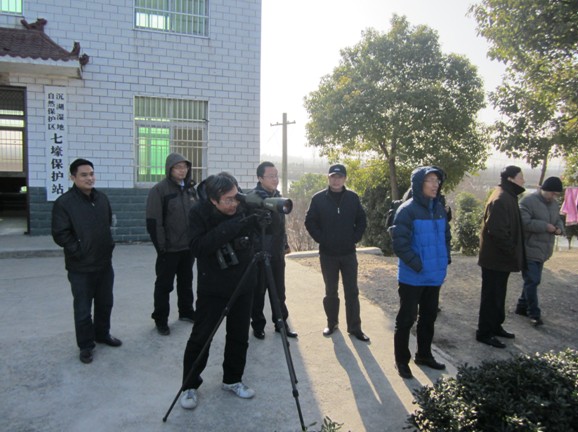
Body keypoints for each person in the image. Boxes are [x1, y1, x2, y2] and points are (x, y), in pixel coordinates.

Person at [180, 172, 257, 410]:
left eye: (236, 197)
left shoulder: (244, 205)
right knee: (201, 337)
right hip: (212, 285)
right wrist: (233, 227)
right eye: (228, 200)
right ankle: (189, 385)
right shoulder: (198, 212)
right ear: (213, 200)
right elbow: (198, 247)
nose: (234, 204)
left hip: (243, 282)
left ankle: (233, 379)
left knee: (239, 335)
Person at [51, 158, 122, 364]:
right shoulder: (64, 203)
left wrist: (108, 246)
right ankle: (86, 345)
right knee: (83, 309)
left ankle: (102, 334)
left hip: (104, 263)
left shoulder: (101, 199)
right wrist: (79, 250)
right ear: (72, 177)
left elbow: (107, 224)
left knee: (105, 303)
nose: (89, 178)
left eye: (91, 174)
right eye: (84, 175)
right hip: (80, 267)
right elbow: (60, 234)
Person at [390, 166, 451, 379]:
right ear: (419, 184)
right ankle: (401, 360)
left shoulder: (439, 208)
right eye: (430, 180)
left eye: (437, 181)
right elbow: (400, 244)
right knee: (406, 319)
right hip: (412, 277)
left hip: (434, 277)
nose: (435, 185)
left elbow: (446, 237)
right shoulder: (407, 210)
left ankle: (424, 355)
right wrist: (418, 265)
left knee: (429, 317)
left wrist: (444, 260)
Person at [304, 164, 369, 342]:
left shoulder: (352, 198)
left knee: (352, 291)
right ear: (328, 178)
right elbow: (310, 222)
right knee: (331, 291)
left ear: (345, 179)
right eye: (333, 176)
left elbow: (362, 220)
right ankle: (332, 323)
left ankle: (355, 328)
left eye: (340, 177)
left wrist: (354, 238)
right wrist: (322, 239)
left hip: (348, 253)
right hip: (328, 254)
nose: (336, 180)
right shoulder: (318, 199)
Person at [146, 153, 196, 336]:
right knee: (164, 285)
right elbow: (153, 222)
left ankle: (186, 311)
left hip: (188, 247)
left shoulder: (190, 190)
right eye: (178, 167)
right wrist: (161, 248)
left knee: (186, 282)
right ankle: (160, 319)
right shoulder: (159, 190)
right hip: (169, 248)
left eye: (185, 167)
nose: (182, 171)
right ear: (169, 169)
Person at [476, 165, 526, 348]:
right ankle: (484, 332)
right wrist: (512, 251)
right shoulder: (501, 198)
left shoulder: (508, 196)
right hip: (495, 259)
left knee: (499, 295)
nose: (523, 181)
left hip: (501, 259)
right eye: (521, 177)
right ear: (511, 179)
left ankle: (496, 326)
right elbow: (497, 232)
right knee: (491, 297)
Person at [250, 161, 297, 339]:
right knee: (259, 292)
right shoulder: (254, 199)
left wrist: (284, 244)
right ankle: (258, 325)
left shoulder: (278, 197)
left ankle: (281, 324)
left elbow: (280, 226)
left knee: (279, 292)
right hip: (260, 253)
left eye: (276, 176)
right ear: (260, 178)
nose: (275, 179)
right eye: (271, 176)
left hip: (277, 253)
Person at [515, 176, 564, 326]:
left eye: (556, 195)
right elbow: (523, 222)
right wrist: (545, 226)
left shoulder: (554, 204)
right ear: (544, 189)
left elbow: (558, 219)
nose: (554, 197)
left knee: (531, 280)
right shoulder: (528, 201)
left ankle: (521, 306)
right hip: (529, 248)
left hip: (543, 250)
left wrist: (559, 228)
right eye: (552, 193)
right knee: (533, 280)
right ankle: (534, 314)